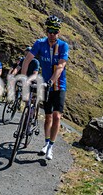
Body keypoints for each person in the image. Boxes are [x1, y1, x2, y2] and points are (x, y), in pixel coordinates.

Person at [22, 15, 70, 161]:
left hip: (59, 85)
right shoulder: (40, 43)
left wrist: (50, 82)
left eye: (55, 31)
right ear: (46, 31)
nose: (52, 34)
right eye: (49, 31)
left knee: (57, 116)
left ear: (59, 32)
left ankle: (51, 147)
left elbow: (60, 66)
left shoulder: (63, 46)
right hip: (45, 84)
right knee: (48, 116)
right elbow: (27, 60)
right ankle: (46, 142)